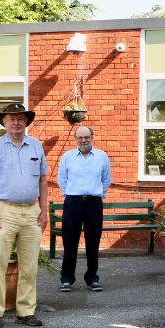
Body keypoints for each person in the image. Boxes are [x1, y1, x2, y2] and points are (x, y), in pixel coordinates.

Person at [0, 103, 48, 328]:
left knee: (29, 266)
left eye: (20, 118)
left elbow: (42, 181)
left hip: (31, 212)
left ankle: (26, 312)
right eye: (12, 119)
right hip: (4, 211)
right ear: (4, 122)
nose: (16, 122)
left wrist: (44, 211)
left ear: (26, 121)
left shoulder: (36, 146)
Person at [57, 125, 111, 292]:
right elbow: (62, 179)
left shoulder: (102, 156)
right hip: (73, 202)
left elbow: (106, 179)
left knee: (93, 242)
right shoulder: (68, 157)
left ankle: (92, 278)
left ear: (92, 137)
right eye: (80, 137)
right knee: (69, 242)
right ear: (76, 139)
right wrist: (70, 195)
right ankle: (67, 278)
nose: (83, 140)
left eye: (86, 137)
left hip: (94, 203)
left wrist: (98, 195)